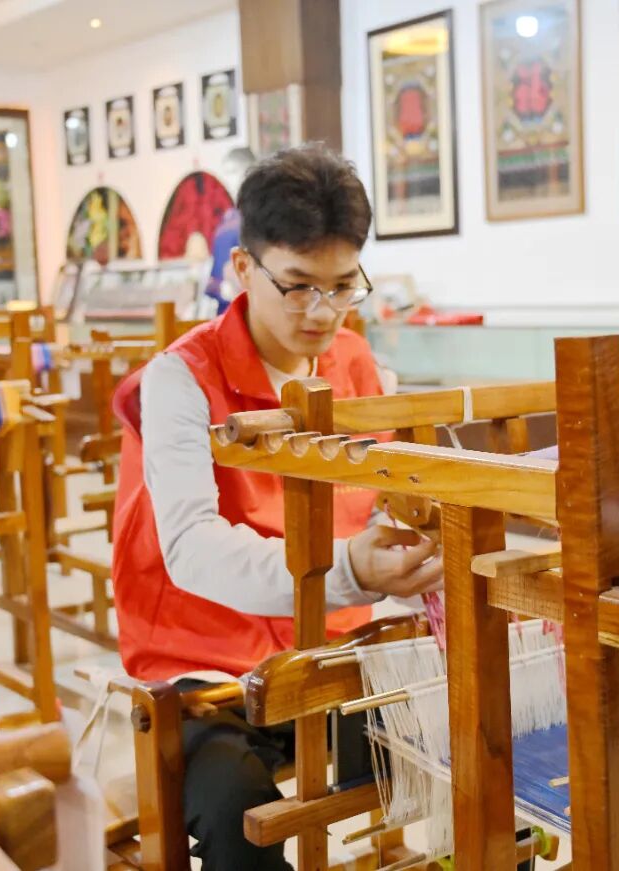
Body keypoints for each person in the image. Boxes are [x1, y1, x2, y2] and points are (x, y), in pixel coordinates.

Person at [110, 144, 442, 870]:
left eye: (342, 285)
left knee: (466, 751)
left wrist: (415, 535)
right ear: (243, 267)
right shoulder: (180, 380)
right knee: (242, 813)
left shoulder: (356, 362)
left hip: (327, 644)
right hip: (202, 664)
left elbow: (385, 493)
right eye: (297, 286)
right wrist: (350, 569)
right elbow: (191, 549)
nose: (322, 311)